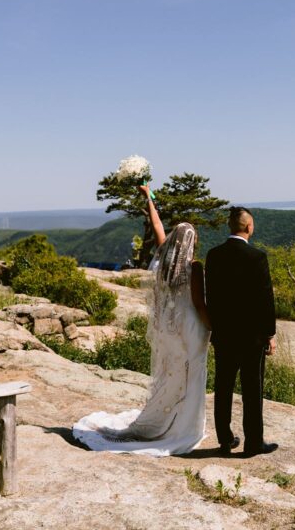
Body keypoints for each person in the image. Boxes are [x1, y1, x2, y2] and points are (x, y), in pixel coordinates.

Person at [72, 185, 210, 456]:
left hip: (170, 328)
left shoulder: (162, 265)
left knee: (172, 373)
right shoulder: (193, 268)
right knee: (193, 373)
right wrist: (214, 326)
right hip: (191, 327)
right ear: (191, 244)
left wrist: (149, 198)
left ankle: (167, 419)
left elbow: (157, 225)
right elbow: (199, 303)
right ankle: (186, 429)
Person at [205, 206, 278, 457]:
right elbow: (265, 300)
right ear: (248, 227)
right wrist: (270, 334)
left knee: (223, 388)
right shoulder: (257, 257)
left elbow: (210, 297)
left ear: (230, 227)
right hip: (251, 337)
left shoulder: (214, 255)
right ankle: (253, 443)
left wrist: (215, 327)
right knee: (252, 390)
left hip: (223, 335)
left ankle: (224, 440)